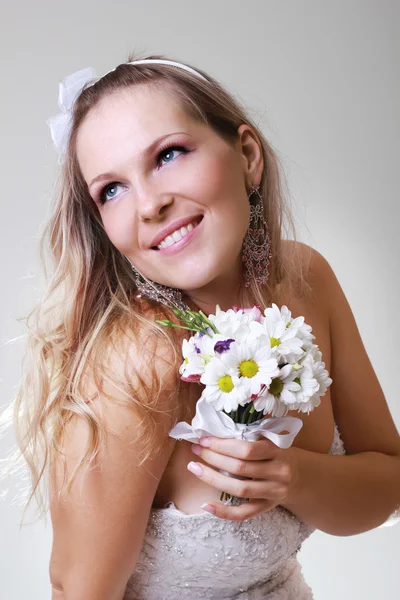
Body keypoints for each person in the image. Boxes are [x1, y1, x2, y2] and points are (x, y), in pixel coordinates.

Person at [2, 53, 399, 600]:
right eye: (111, 189)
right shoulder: (139, 360)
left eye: (168, 154)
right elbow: (79, 590)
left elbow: (387, 486)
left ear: (248, 155)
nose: (149, 204)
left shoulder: (306, 277)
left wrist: (292, 476)